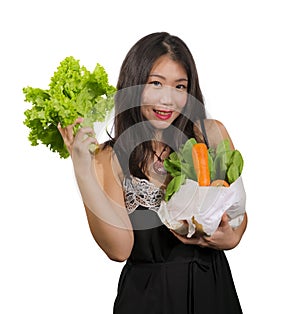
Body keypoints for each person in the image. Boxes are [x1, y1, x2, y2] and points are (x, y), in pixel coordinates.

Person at [58, 32, 247, 314]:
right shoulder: (110, 157)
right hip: (148, 297)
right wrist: (82, 170)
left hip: (212, 289)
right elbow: (119, 250)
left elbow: (237, 216)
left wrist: (231, 238)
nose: (168, 99)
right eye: (156, 84)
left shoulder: (211, 134)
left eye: (180, 86)